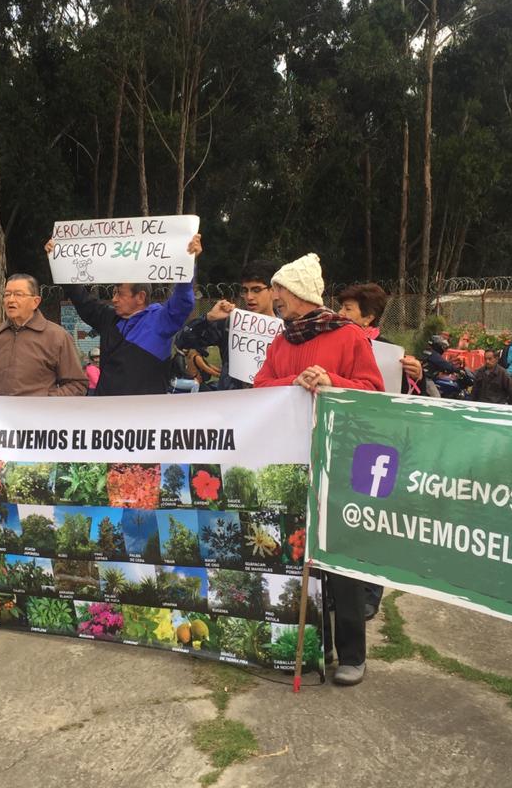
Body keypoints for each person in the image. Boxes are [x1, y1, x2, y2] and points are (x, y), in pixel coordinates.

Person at [252, 253, 383, 686]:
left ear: (301, 293)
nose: (275, 300)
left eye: (280, 292)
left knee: (338, 560)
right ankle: (314, 646)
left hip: (336, 460)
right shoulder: (281, 340)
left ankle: (352, 653)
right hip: (291, 461)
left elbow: (373, 391)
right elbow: (259, 387)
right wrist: (289, 383)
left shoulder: (349, 337)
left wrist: (331, 381)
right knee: (297, 556)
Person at [335, 282, 429, 619]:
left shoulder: (391, 353)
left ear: (369, 317)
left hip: (375, 447)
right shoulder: (334, 344)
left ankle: (370, 592)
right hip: (340, 441)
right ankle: (340, 588)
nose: (340, 314)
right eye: (341, 307)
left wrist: (416, 375)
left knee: (371, 519)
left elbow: (410, 401)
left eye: (348, 310)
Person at [46, 234, 203, 395]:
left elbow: (182, 301)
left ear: (140, 297)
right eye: (113, 293)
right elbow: (82, 299)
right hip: (107, 411)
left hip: (146, 413)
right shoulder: (108, 317)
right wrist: (59, 262)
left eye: (120, 294)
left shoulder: (160, 321)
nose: (113, 299)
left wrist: (189, 262)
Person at [0, 274, 87, 398]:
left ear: (35, 301)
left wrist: (46, 400)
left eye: (18, 294)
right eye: (7, 295)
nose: (11, 300)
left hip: (36, 418)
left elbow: (77, 384)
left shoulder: (57, 337)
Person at [175, 259, 279, 389]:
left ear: (273, 290)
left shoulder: (286, 330)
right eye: (245, 290)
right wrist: (208, 318)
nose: (249, 297)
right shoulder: (231, 323)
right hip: (231, 403)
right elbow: (182, 340)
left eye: (256, 290)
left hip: (271, 401)